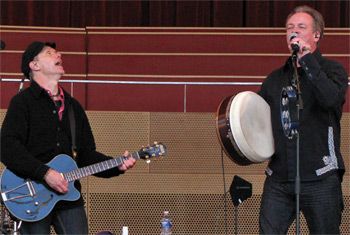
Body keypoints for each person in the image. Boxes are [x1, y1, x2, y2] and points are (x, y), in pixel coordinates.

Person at [0, 41, 136, 234]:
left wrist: (117, 165)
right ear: (34, 65)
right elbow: (7, 147)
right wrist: (45, 173)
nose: (59, 55)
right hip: (31, 196)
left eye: (57, 52)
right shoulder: (22, 102)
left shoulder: (74, 107)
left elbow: (86, 156)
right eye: (50, 53)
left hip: (69, 198)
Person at [258, 5, 348, 234]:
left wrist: (307, 60)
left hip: (320, 176)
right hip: (279, 178)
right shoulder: (274, 79)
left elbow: (330, 99)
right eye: (290, 28)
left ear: (316, 34)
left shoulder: (333, 70)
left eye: (301, 27)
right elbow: (257, 121)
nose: (293, 31)